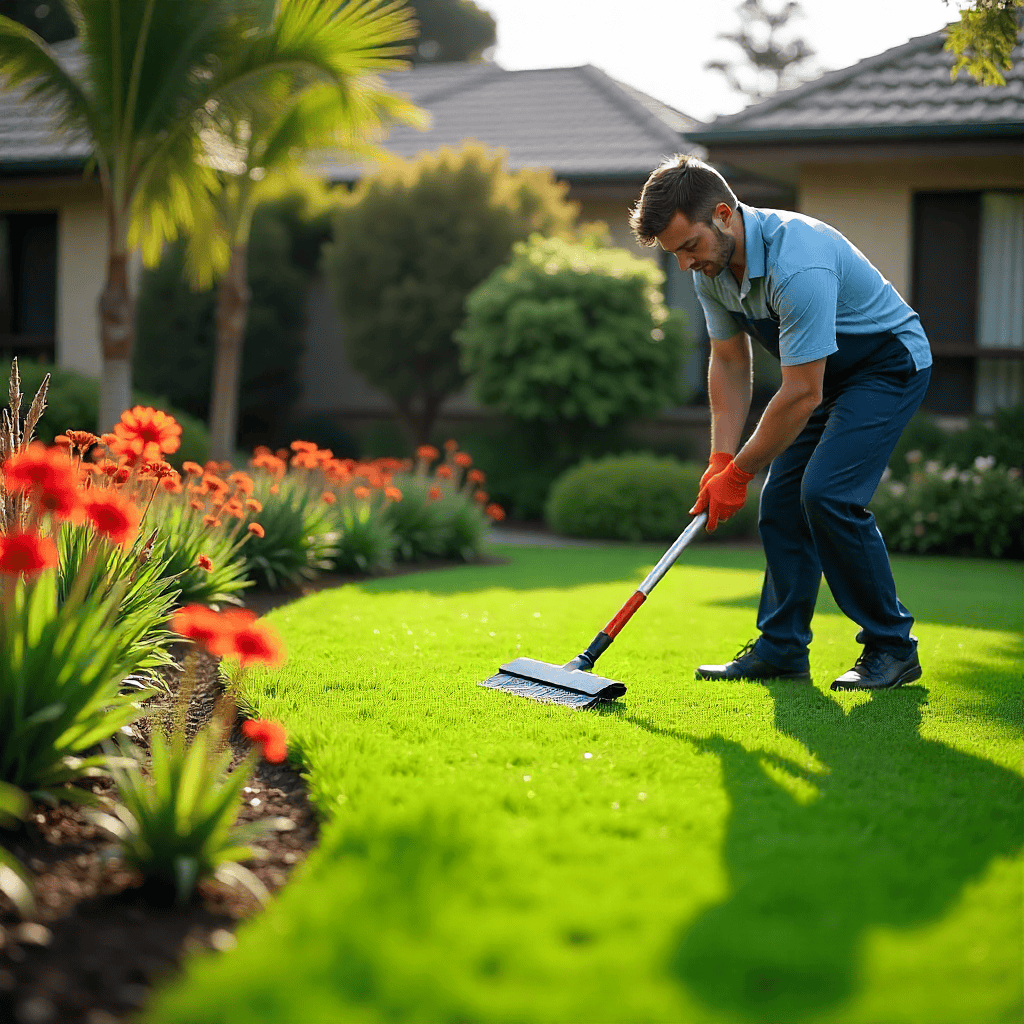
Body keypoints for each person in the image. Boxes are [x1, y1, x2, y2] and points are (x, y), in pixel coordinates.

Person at [629, 155, 932, 691]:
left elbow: (801, 393)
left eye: (689, 247)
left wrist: (740, 473)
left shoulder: (800, 260)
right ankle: (782, 648)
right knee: (782, 501)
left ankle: (892, 647)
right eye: (674, 253)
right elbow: (728, 361)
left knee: (828, 495)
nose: (684, 265)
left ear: (723, 214)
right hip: (824, 377)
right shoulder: (713, 268)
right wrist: (721, 460)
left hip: (886, 365)